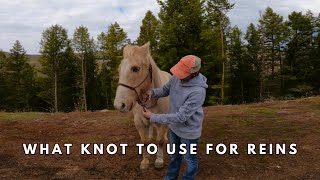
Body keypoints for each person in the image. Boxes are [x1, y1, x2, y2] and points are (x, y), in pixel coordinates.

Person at [142, 55, 208, 180]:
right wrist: (152, 93)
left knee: (189, 159)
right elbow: (165, 90)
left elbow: (180, 117)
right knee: (175, 156)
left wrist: (153, 117)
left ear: (193, 73)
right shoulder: (176, 78)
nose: (178, 75)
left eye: (182, 72)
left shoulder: (198, 92)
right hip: (174, 129)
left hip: (189, 133)